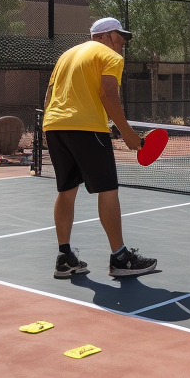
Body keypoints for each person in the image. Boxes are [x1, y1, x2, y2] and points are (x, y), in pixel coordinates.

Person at [42, 16, 157, 278]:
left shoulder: (66, 56)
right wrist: (129, 135)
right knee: (108, 190)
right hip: (87, 128)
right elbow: (108, 94)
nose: (122, 43)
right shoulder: (109, 56)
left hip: (55, 126)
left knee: (66, 190)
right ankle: (120, 258)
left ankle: (65, 258)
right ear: (104, 36)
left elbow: (49, 95)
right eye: (119, 37)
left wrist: (50, 124)